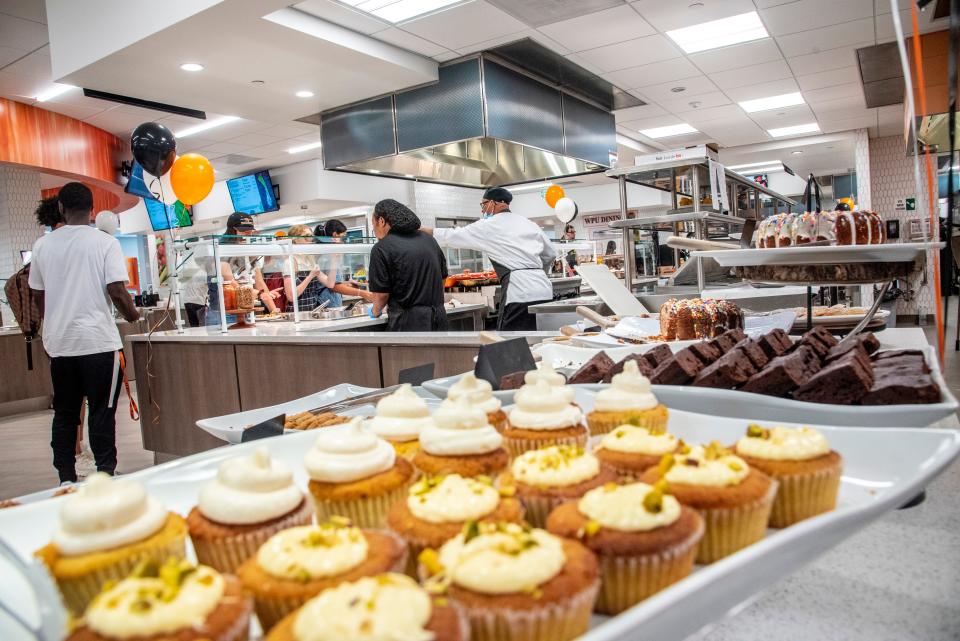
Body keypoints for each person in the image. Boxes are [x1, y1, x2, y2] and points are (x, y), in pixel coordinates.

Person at [27, 182, 140, 484]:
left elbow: (38, 294)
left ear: (60, 208)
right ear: (92, 210)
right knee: (102, 411)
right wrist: (133, 315)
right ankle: (104, 474)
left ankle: (66, 477)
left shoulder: (42, 246)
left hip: (61, 345)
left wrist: (50, 325)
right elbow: (116, 289)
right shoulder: (104, 243)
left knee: (65, 413)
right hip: (99, 343)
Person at [423, 186, 557, 331]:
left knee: (511, 340)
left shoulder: (489, 225)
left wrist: (420, 229)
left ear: (494, 203)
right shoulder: (528, 223)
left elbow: (452, 235)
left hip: (519, 292)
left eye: (483, 204)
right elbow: (550, 254)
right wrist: (537, 272)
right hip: (544, 289)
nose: (482, 210)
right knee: (540, 337)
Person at [368, 199, 448, 331]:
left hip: (408, 323)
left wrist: (375, 311)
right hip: (439, 318)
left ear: (381, 221)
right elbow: (442, 278)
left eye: (373, 225)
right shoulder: (429, 240)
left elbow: (381, 295)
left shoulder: (381, 248)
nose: (374, 231)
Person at [206, 213, 280, 325]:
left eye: (250, 231)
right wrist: (260, 294)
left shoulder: (248, 251)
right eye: (244, 231)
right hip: (222, 314)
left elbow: (259, 282)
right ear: (232, 230)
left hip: (245, 312)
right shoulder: (220, 250)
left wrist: (274, 310)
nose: (248, 234)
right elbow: (232, 284)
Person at [283, 224, 342, 311]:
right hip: (296, 313)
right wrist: (310, 276)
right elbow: (291, 296)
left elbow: (330, 283)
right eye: (306, 236)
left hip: (312, 311)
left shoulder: (310, 260)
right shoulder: (290, 262)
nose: (310, 240)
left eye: (311, 236)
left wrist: (334, 261)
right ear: (295, 239)